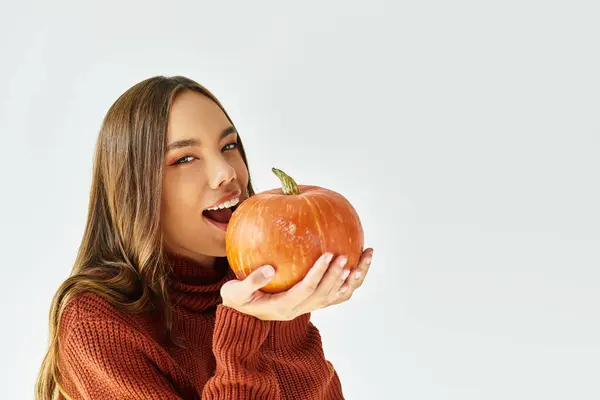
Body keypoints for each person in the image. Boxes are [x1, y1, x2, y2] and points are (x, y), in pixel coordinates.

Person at [34, 75, 373, 399]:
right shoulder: (96, 324)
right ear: (134, 190)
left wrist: (285, 317)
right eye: (184, 159)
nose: (227, 171)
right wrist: (246, 330)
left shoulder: (249, 281)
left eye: (228, 145)